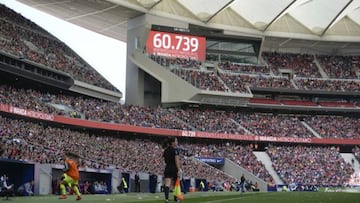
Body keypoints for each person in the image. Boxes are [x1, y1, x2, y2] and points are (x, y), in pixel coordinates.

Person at [163, 137, 182, 203]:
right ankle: (175, 199)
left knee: (167, 184)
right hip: (174, 168)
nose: (177, 142)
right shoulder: (175, 150)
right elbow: (177, 161)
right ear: (173, 142)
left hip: (168, 167)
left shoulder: (165, 150)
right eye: (176, 141)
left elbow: (165, 161)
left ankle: (166, 199)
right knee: (175, 184)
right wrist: (179, 169)